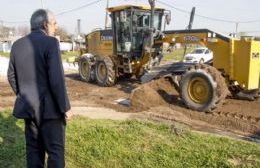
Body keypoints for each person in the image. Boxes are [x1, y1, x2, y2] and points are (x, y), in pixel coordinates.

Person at [7, 9, 72, 168]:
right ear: (45, 24)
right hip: (50, 111)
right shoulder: (51, 42)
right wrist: (65, 107)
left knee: (34, 153)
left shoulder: (17, 45)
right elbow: (56, 79)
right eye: (54, 23)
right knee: (55, 153)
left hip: (28, 109)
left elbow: (11, 76)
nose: (55, 27)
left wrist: (24, 95)